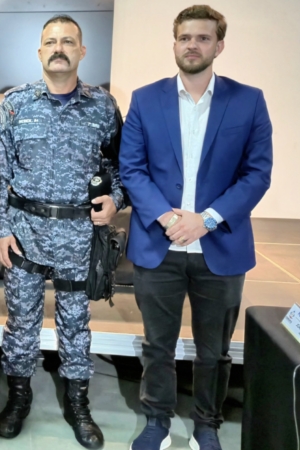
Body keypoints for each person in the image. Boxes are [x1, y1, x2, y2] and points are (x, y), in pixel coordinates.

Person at [120, 6, 272, 450]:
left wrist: (205, 220)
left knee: (214, 351)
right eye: (185, 37)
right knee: (157, 345)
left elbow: (257, 174)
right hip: (158, 244)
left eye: (203, 38)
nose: (192, 45)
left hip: (219, 246)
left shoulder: (248, 100)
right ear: (174, 43)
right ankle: (157, 421)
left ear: (218, 46)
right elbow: (132, 169)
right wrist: (170, 219)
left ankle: (207, 425)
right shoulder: (146, 99)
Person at [0, 15, 125, 449]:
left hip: (79, 236)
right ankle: (18, 397)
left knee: (76, 324)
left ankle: (77, 403)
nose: (59, 48)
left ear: (82, 51)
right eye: (51, 42)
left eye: (68, 42)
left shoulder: (102, 106)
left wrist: (115, 200)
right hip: (24, 234)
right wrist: (0, 229)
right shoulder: (15, 105)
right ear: (39, 52)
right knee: (21, 322)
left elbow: (121, 168)